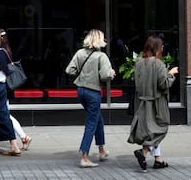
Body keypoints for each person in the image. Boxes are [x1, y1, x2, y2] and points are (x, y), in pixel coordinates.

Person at [127, 35, 178, 172]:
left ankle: (158, 159)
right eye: (161, 47)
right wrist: (171, 73)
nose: (163, 49)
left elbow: (137, 84)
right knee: (160, 129)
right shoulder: (158, 64)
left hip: (142, 102)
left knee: (151, 130)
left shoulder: (139, 63)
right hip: (156, 103)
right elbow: (164, 84)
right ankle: (143, 152)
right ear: (158, 48)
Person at [65, 29, 115, 168]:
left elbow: (69, 70)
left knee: (98, 118)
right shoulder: (101, 56)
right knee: (91, 123)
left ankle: (101, 150)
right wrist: (111, 73)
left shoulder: (80, 53)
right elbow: (105, 76)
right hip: (93, 92)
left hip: (81, 91)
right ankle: (84, 156)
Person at [0, 29, 32, 151]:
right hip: (6, 87)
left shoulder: (2, 51)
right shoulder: (7, 50)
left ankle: (23, 136)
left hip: (4, 86)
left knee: (5, 114)